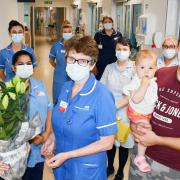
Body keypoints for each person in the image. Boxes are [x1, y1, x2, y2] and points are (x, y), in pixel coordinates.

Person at [41, 36, 117, 180]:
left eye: (82, 61)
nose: (75, 64)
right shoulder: (66, 88)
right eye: (71, 59)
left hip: (86, 170)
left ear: (92, 64)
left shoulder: (102, 95)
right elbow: (62, 119)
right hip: (62, 166)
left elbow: (107, 143)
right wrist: (53, 138)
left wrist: (68, 155)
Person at [11, 50, 52, 180]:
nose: (25, 66)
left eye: (28, 63)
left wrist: (47, 133)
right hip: (19, 152)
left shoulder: (39, 84)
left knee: (36, 175)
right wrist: (33, 138)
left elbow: (49, 107)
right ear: (13, 67)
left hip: (39, 148)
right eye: (20, 64)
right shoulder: (8, 91)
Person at [101, 37, 135, 180]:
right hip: (109, 112)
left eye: (125, 49)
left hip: (126, 113)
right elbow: (101, 88)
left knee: (124, 145)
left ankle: (121, 170)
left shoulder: (134, 69)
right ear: (115, 50)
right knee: (110, 142)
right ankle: (110, 167)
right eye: (119, 49)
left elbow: (134, 94)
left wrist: (114, 107)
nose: (121, 52)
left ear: (130, 51)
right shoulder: (109, 67)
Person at [123, 50, 158, 172]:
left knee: (145, 131)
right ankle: (140, 157)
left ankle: (140, 155)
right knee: (145, 132)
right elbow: (136, 99)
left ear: (156, 68)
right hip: (136, 113)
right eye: (142, 67)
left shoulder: (153, 82)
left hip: (146, 113)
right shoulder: (136, 82)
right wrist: (143, 86)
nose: (146, 71)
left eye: (151, 68)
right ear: (135, 67)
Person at [49, 20, 72, 104]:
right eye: (65, 32)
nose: (67, 33)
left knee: (70, 100)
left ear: (72, 32)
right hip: (59, 77)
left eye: (69, 32)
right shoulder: (56, 46)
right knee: (58, 100)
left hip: (73, 78)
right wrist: (59, 67)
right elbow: (51, 60)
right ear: (62, 33)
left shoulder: (76, 45)